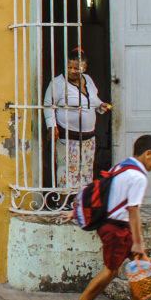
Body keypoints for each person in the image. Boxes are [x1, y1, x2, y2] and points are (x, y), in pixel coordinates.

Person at [63, 134, 151, 300]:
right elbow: (134, 210)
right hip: (116, 228)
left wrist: (76, 212)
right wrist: (138, 242)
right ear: (148, 154)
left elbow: (103, 192)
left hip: (114, 225)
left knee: (139, 260)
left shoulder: (121, 167)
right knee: (111, 270)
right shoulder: (138, 177)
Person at [43, 48, 112, 199]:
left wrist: (101, 106)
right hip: (68, 136)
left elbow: (93, 100)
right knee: (67, 170)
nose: (72, 71)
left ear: (84, 68)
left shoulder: (88, 80)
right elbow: (48, 105)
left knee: (86, 171)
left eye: (77, 68)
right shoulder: (58, 83)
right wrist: (52, 126)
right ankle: (64, 202)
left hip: (88, 137)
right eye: (69, 67)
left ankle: (81, 203)